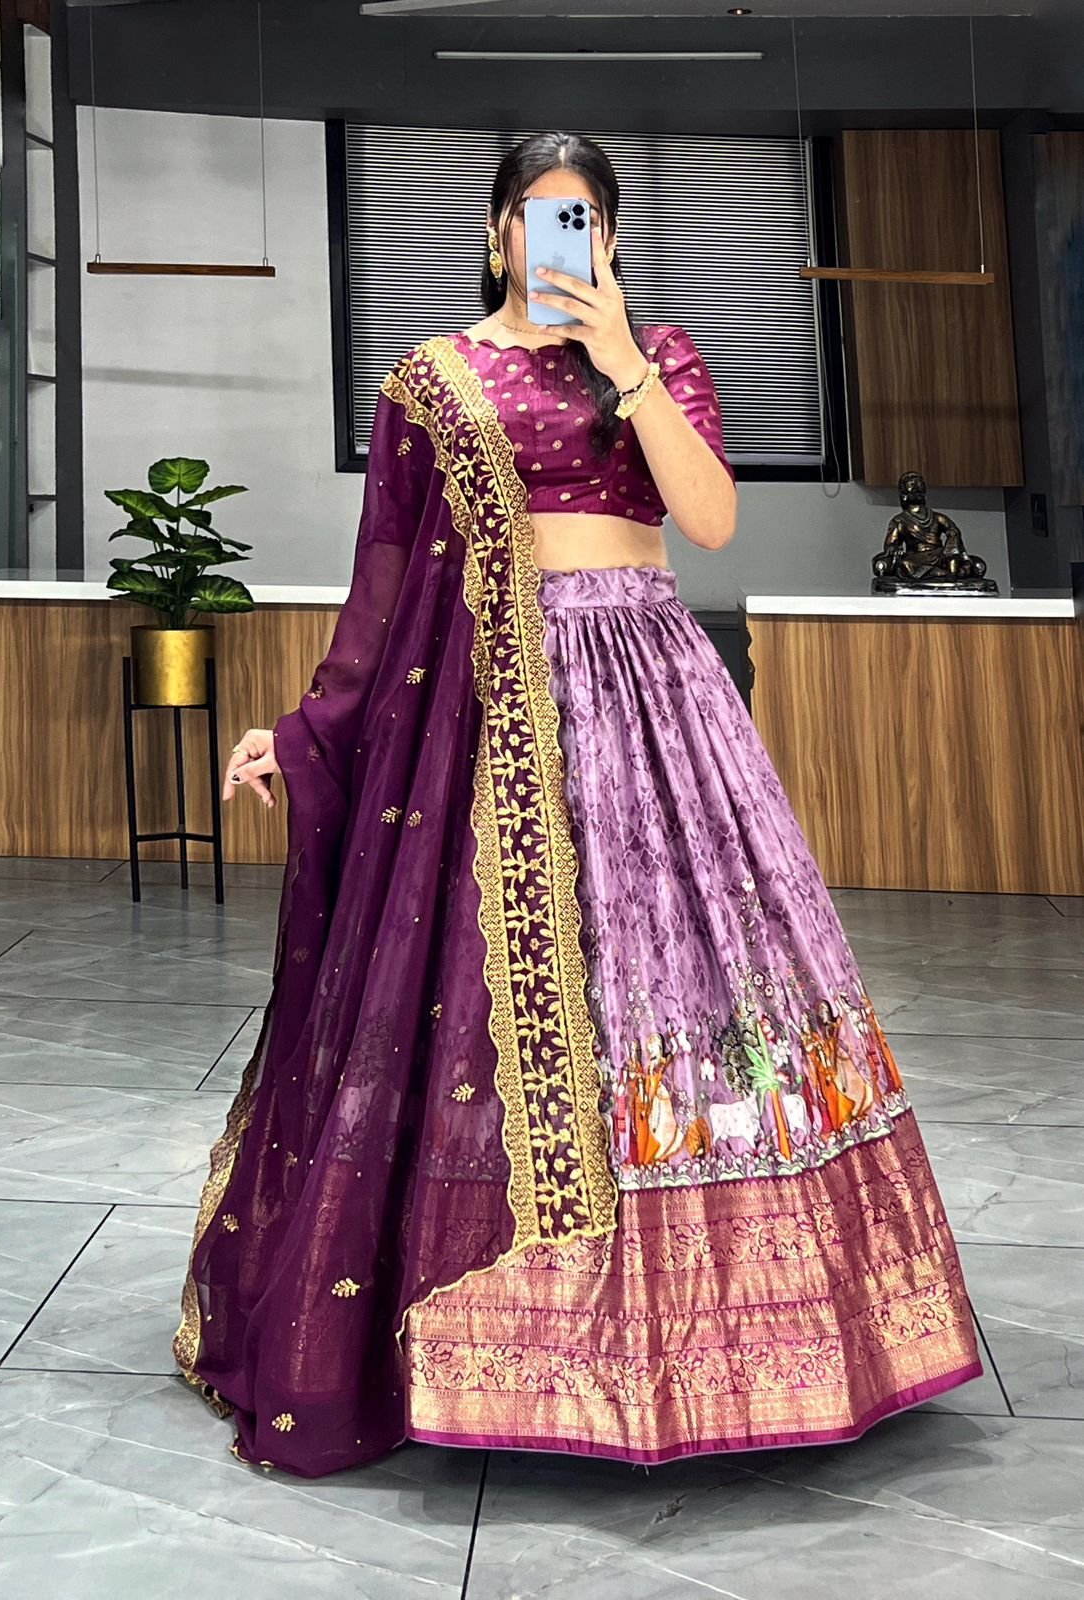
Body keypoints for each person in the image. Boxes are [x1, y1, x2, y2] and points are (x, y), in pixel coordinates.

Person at [173, 131, 982, 1478]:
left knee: (681, 982)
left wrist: (622, 364)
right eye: (539, 218)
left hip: (653, 698)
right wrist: (311, 728)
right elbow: (384, 583)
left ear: (609, 239)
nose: (562, 242)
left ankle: (741, 1338)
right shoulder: (430, 381)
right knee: (482, 1011)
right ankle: (498, 1335)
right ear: (495, 232)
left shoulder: (656, 356)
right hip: (484, 714)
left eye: (586, 221)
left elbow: (709, 523)